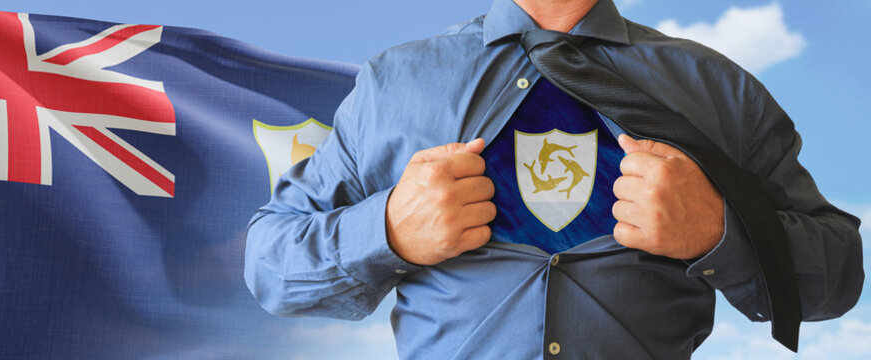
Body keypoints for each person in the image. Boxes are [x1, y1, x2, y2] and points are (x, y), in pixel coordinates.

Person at [244, 0, 864, 358]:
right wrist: (386, 232)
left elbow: (838, 276)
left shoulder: (718, 90)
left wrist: (719, 231)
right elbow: (269, 266)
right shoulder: (393, 84)